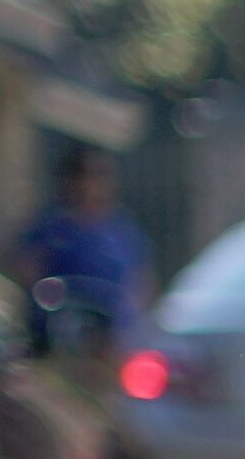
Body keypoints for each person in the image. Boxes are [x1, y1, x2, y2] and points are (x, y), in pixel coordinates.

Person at [12, 144, 151, 362]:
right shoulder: (48, 228)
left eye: (102, 175)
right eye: (86, 176)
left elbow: (140, 284)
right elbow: (25, 273)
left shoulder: (122, 231)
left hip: (111, 349)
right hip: (58, 347)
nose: (93, 185)